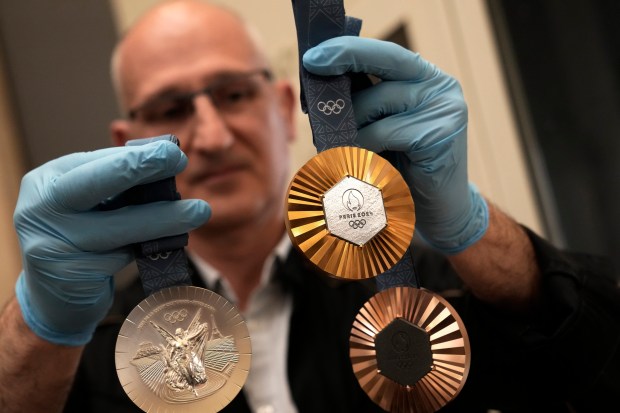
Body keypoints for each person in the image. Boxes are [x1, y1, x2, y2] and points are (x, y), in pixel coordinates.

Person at [1, 1, 618, 412]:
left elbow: (593, 362)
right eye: (169, 109)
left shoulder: (434, 292)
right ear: (125, 142)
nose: (212, 136)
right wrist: (37, 326)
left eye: (235, 94)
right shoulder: (87, 346)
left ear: (285, 108)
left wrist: (470, 229)